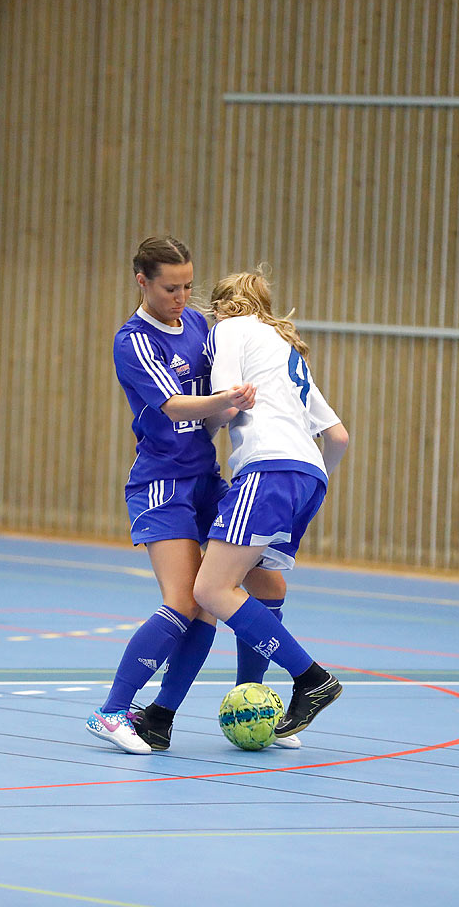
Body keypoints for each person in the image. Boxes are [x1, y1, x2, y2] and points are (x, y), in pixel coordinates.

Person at [87, 236, 285, 755]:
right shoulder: (133, 341)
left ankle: (233, 700)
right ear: (143, 282)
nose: (182, 297)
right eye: (171, 287)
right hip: (162, 484)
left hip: (205, 479)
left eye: (189, 286)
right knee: (183, 600)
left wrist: (237, 406)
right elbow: (176, 407)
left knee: (263, 584)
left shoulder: (199, 326)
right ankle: (111, 711)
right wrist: (224, 399)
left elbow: (214, 412)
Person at [191, 268, 349, 741]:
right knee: (264, 584)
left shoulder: (229, 330)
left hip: (269, 467)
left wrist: (199, 433)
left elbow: (229, 403)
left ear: (220, 306)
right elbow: (338, 437)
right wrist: (308, 476)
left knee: (211, 589)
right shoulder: (285, 349)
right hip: (309, 476)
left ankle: (311, 678)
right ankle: (253, 698)